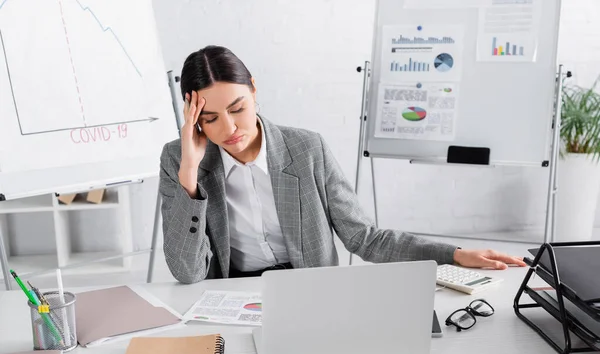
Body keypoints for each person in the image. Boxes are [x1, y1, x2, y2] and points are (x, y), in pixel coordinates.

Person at [159, 45, 526, 284]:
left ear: (254, 89)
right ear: (194, 120)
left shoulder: (306, 149)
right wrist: (190, 176)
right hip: (234, 294)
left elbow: (364, 238)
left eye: (238, 108)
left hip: (311, 289)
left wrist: (454, 255)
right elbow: (187, 273)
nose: (229, 129)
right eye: (209, 119)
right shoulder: (179, 159)